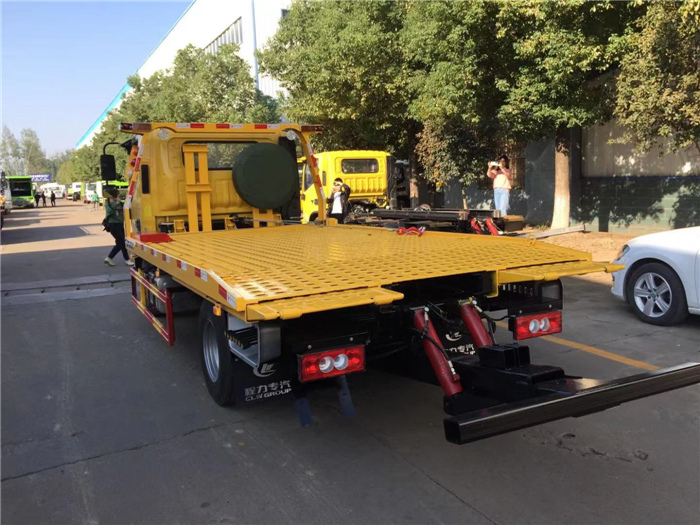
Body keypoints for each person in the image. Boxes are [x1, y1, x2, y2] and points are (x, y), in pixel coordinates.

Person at [103, 188, 133, 267]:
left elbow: (126, 208)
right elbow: (110, 211)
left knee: (120, 243)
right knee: (122, 242)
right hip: (113, 225)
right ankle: (127, 259)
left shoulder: (119, 203)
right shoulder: (108, 203)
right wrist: (117, 202)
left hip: (120, 224)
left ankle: (109, 258)